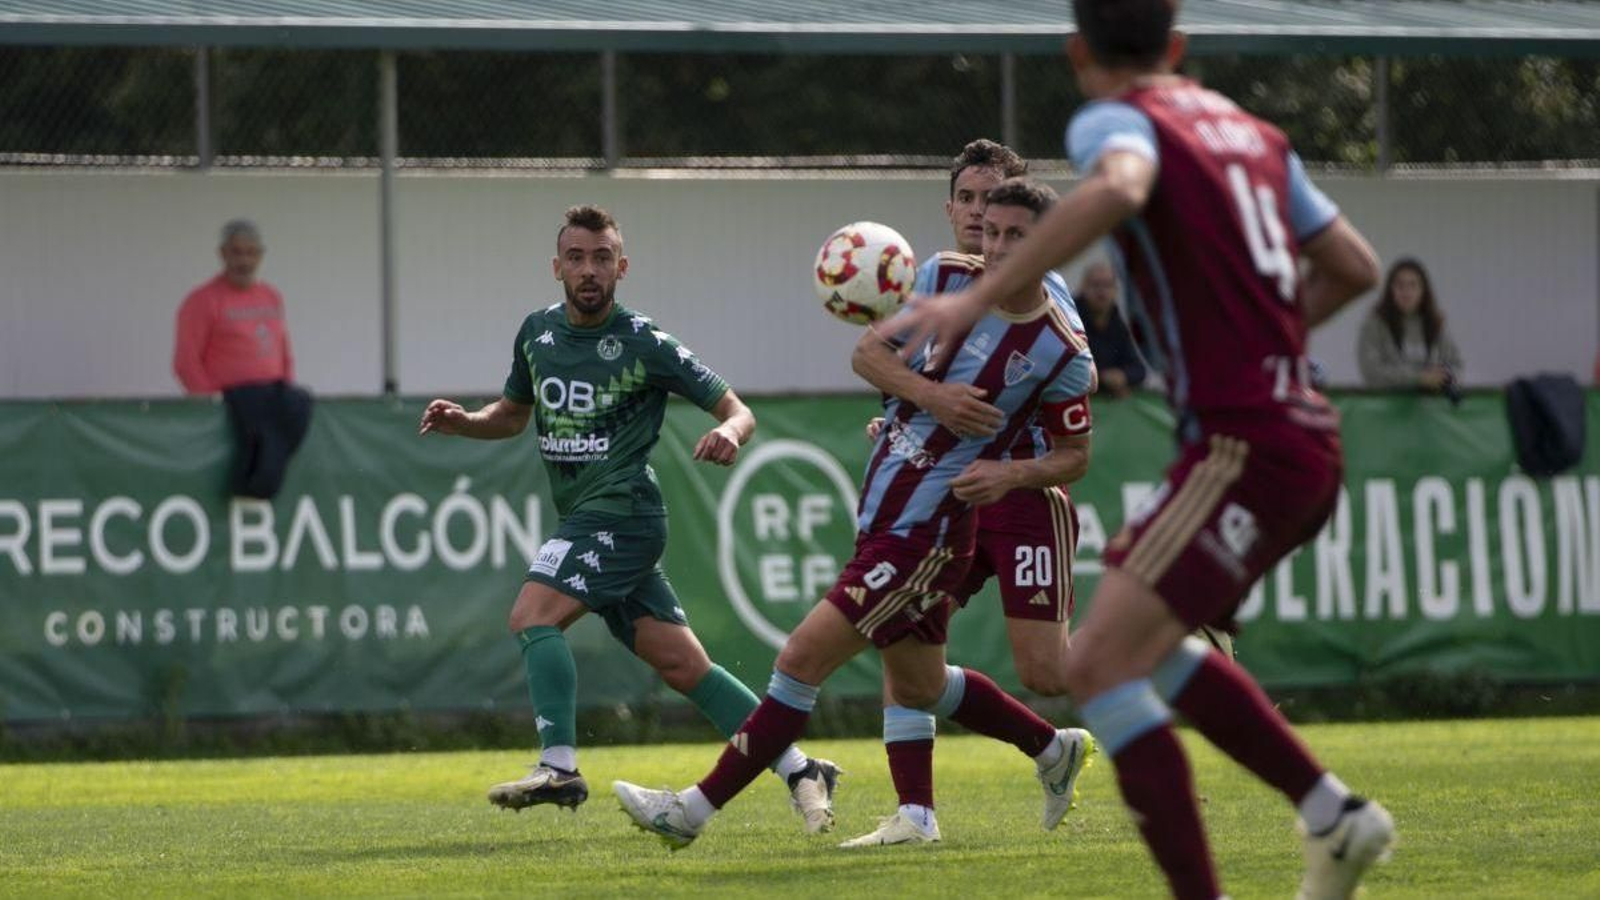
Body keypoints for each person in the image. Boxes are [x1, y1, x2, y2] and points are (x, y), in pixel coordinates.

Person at [888, 2, 1394, 897]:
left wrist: (974, 299)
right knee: (1135, 651)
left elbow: (1119, 187)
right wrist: (1259, 346)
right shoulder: (1257, 135)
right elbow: (1355, 265)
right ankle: (1331, 812)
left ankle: (1310, 825)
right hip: (1298, 430)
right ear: (1181, 45)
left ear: (1078, 51)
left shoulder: (1120, 118)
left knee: (1096, 664)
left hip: (1248, 438)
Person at [613, 179, 1098, 852]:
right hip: (886, 509)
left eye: (1017, 236)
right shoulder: (944, 275)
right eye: (990, 231)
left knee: (800, 658)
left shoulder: (1062, 352)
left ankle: (689, 812)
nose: (996, 246)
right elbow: (869, 353)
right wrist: (934, 399)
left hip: (924, 536)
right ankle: (1050, 750)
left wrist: (1011, 472)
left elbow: (1076, 454)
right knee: (922, 684)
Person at [418, 205, 839, 830]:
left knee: (532, 616)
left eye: (602, 257)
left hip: (624, 513)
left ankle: (558, 766)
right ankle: (802, 769)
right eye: (578, 258)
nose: (590, 270)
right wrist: (466, 424)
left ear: (623, 265)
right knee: (683, 667)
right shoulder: (536, 333)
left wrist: (729, 431)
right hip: (593, 517)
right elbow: (513, 413)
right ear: (557, 265)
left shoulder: (644, 341)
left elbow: (737, 408)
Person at [845, 155, 1097, 849]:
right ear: (953, 208)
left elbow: (1073, 412)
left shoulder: (1048, 303)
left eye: (994, 201)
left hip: (1019, 497)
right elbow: (894, 366)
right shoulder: (939, 278)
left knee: (1046, 672)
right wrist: (903, 413)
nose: (983, 216)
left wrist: (1010, 471)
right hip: (947, 499)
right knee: (901, 639)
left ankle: (1163, 654)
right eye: (968, 199)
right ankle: (916, 813)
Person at [174, 219, 310, 498]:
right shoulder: (203, 300)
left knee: (300, 405)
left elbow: (283, 349)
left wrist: (286, 383)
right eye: (237, 252)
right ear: (223, 254)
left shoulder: (271, 297)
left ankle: (264, 482)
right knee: (256, 439)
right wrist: (209, 400)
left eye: (250, 253)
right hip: (234, 397)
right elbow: (186, 360)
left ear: (260, 256)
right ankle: (248, 485)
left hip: (275, 392)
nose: (244, 260)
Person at [1357, 258, 1464, 393]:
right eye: (1400, 285)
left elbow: (1457, 366)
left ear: (1424, 290)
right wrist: (1418, 379)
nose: (1406, 292)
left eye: (1413, 285)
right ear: (1390, 290)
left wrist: (1444, 378)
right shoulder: (1375, 324)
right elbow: (1371, 372)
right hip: (1387, 407)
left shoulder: (1436, 323)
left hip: (1430, 409)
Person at [1078, 260, 1148, 397]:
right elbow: (1065, 370)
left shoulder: (1117, 323)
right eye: (1095, 285)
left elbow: (1139, 369)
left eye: (1107, 285)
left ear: (1115, 290)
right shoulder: (1069, 320)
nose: (1101, 291)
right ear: (1083, 288)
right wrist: (1104, 378)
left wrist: (1122, 377)